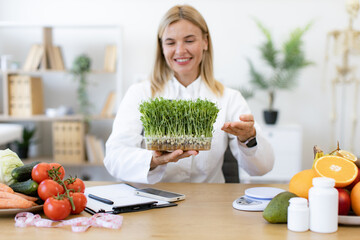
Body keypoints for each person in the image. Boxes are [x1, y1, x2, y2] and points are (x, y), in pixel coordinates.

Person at [104, 4, 274, 184]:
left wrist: (249, 138)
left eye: (189, 40)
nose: (180, 50)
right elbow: (114, 158)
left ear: (205, 42)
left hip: (208, 204)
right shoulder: (140, 93)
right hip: (152, 202)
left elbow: (262, 168)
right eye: (170, 42)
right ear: (161, 47)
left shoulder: (229, 98)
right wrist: (154, 161)